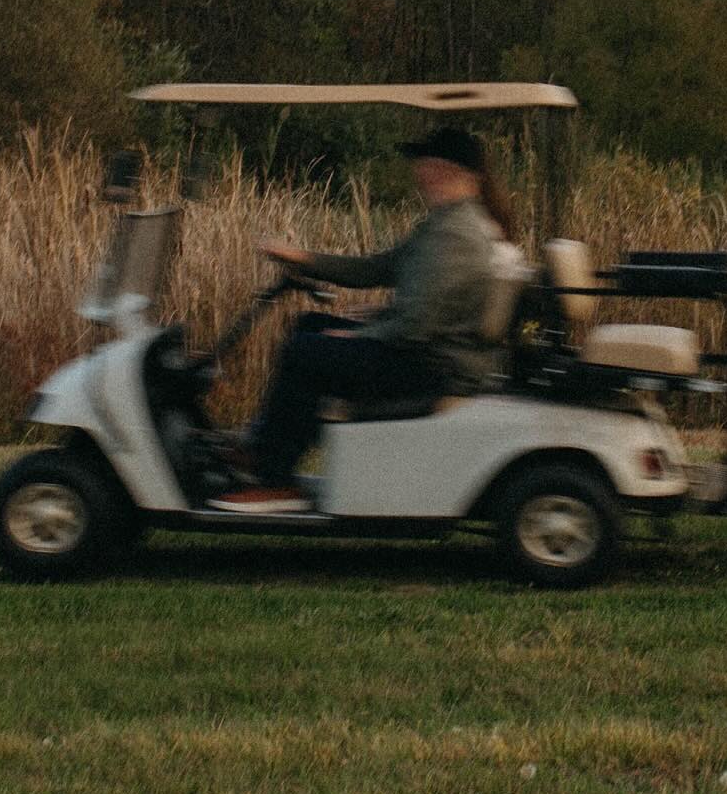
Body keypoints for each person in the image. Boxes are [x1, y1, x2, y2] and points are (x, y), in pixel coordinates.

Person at [208, 126, 515, 513]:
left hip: (434, 367)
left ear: (442, 169)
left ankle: (275, 478)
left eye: (423, 163)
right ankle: (262, 447)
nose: (417, 171)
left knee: (309, 352)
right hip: (431, 354)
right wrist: (305, 259)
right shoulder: (447, 223)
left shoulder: (455, 234)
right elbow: (378, 270)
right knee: (310, 326)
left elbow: (417, 325)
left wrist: (363, 334)